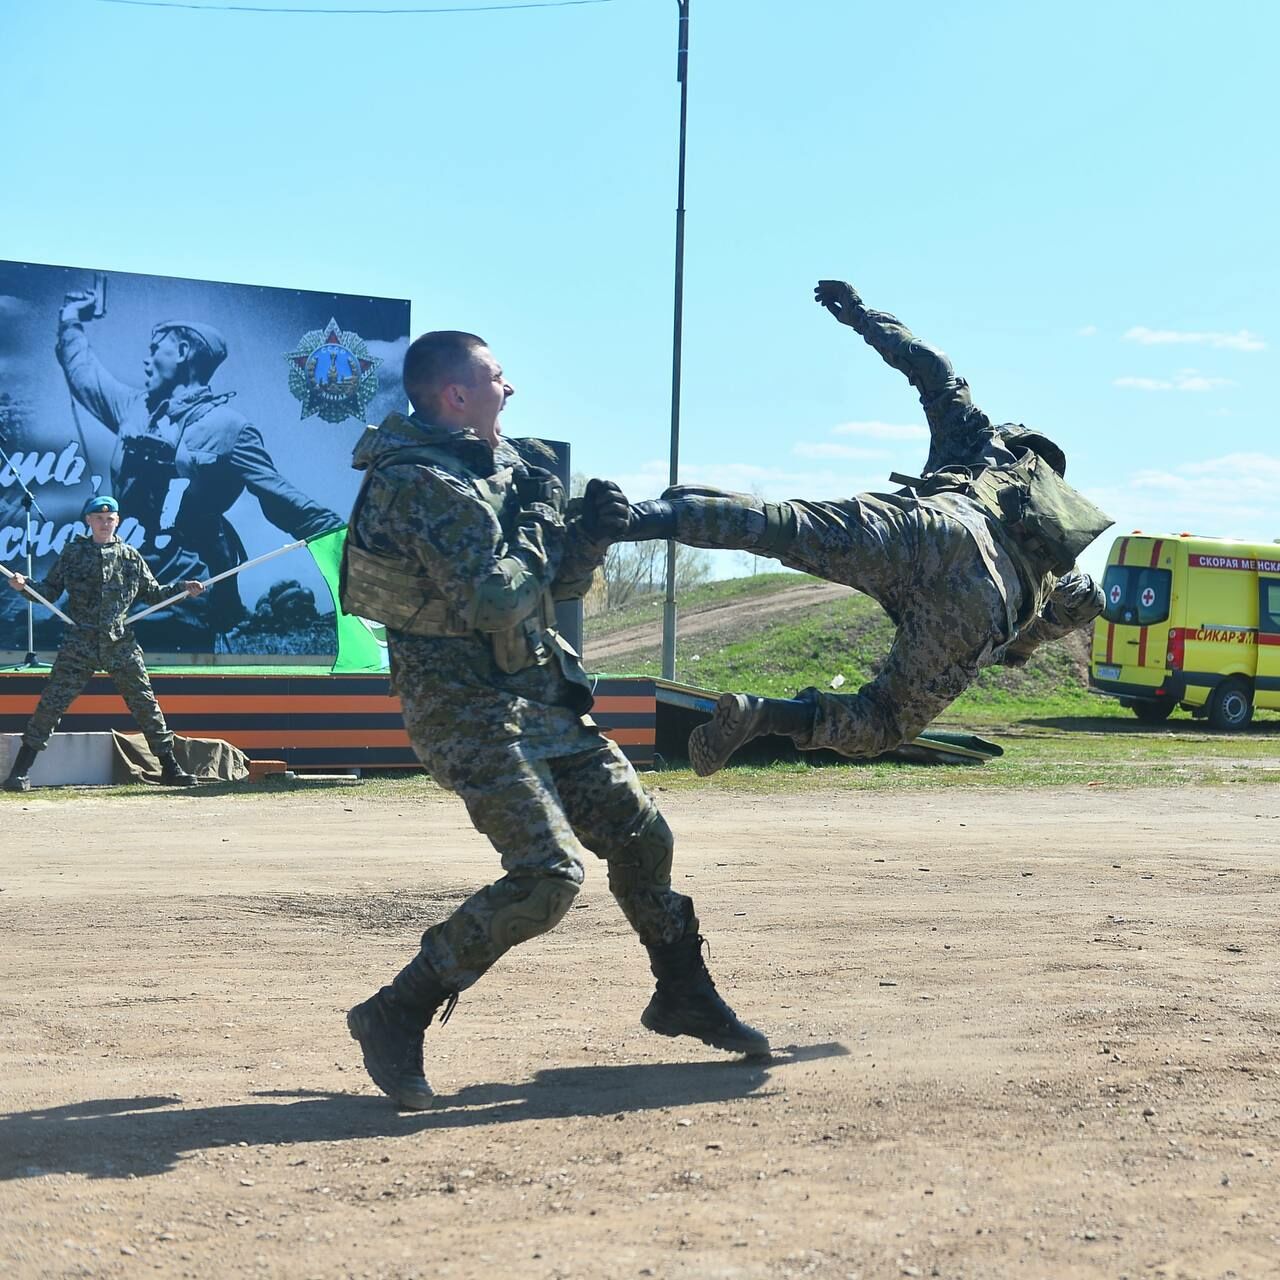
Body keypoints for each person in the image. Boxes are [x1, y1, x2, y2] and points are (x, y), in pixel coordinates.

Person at [341, 330, 769, 1108]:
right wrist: (544, 521)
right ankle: (394, 1012)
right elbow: (494, 597)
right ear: (455, 396)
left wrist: (591, 536)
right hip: (464, 709)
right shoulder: (415, 484)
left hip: (537, 694)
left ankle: (683, 992)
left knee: (642, 834)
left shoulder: (502, 467)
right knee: (548, 877)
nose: (513, 391)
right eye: (498, 378)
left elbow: (550, 584)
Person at [601, 280, 1112, 775]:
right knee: (882, 722)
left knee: (785, 527)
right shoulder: (1052, 564)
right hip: (984, 606)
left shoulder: (981, 442)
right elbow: (1085, 601)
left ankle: (636, 518)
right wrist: (1028, 638)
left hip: (934, 530)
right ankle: (762, 713)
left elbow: (934, 369)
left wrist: (862, 315)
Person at [56, 291, 341, 646]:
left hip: (184, 597)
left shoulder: (230, 429)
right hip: (116, 585)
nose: (146, 362)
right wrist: (71, 318)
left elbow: (284, 501)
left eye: (154, 350)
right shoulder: (134, 408)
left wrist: (353, 544)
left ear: (183, 353)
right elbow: (84, 374)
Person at [3, 496, 205, 791]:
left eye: (109, 518)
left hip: (119, 642)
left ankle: (171, 769)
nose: (104, 522)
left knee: (146, 705)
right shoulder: (73, 553)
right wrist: (24, 587)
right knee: (50, 706)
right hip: (79, 642)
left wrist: (184, 590)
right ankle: (19, 773)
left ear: (117, 522)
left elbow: (153, 593)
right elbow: (49, 591)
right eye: (98, 517)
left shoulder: (130, 556)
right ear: (88, 521)